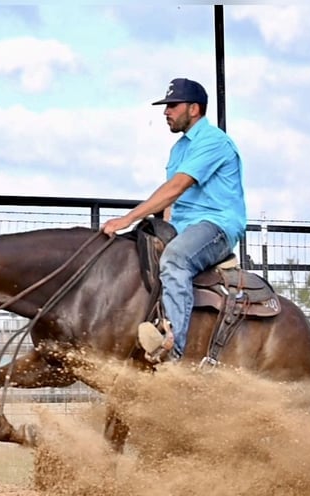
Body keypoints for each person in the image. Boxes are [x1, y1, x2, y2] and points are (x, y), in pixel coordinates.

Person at [102, 77, 247, 363]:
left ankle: (173, 350)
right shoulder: (179, 148)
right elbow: (172, 201)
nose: (166, 111)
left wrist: (128, 218)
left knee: (176, 260)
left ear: (194, 109)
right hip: (184, 225)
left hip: (215, 225)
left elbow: (177, 187)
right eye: (166, 106)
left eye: (172, 105)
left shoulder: (214, 142)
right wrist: (160, 230)